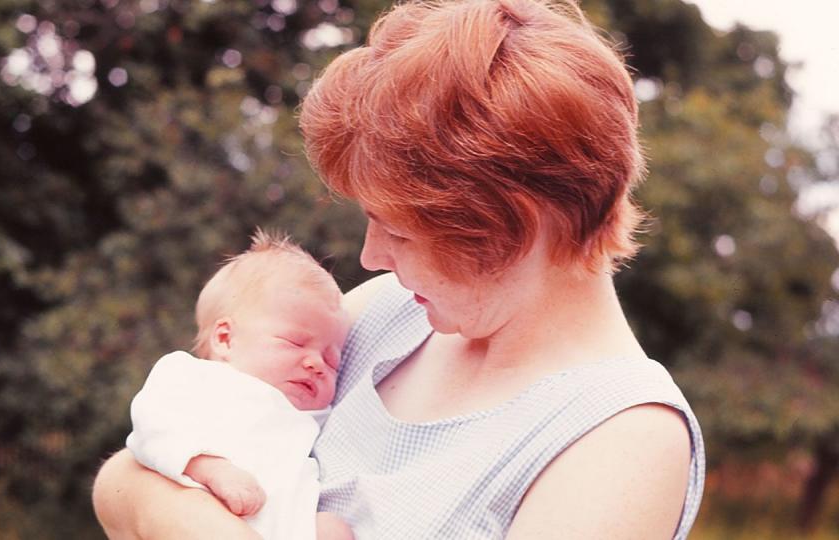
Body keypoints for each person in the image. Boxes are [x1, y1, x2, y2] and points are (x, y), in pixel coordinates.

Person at [92, 0, 706, 538]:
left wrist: (163, 509)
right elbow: (130, 470)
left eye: (400, 230)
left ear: (515, 222)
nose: (371, 257)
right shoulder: (386, 313)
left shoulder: (623, 441)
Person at [119, 230, 353, 540]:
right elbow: (151, 429)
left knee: (333, 529)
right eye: (294, 342)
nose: (317, 364)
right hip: (203, 515)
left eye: (332, 360)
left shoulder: (317, 414)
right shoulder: (192, 377)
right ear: (225, 339)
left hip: (284, 525)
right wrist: (209, 468)